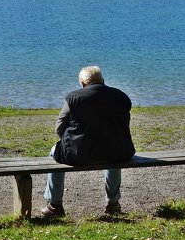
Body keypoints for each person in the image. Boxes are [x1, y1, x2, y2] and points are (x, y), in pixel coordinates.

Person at [41, 65, 135, 217]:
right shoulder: (122, 97)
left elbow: (59, 127)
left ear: (83, 84)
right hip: (119, 151)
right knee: (112, 155)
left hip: (79, 154)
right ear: (103, 81)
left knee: (54, 152)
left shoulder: (73, 98)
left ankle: (54, 205)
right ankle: (113, 203)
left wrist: (70, 142)